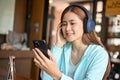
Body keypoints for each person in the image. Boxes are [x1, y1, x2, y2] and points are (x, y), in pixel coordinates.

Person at [32, 3, 111, 80]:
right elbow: (45, 78)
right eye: (64, 24)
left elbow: (53, 74)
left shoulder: (99, 54)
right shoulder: (61, 48)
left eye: (72, 23)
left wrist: (57, 75)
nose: (67, 28)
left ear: (87, 25)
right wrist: (58, 45)